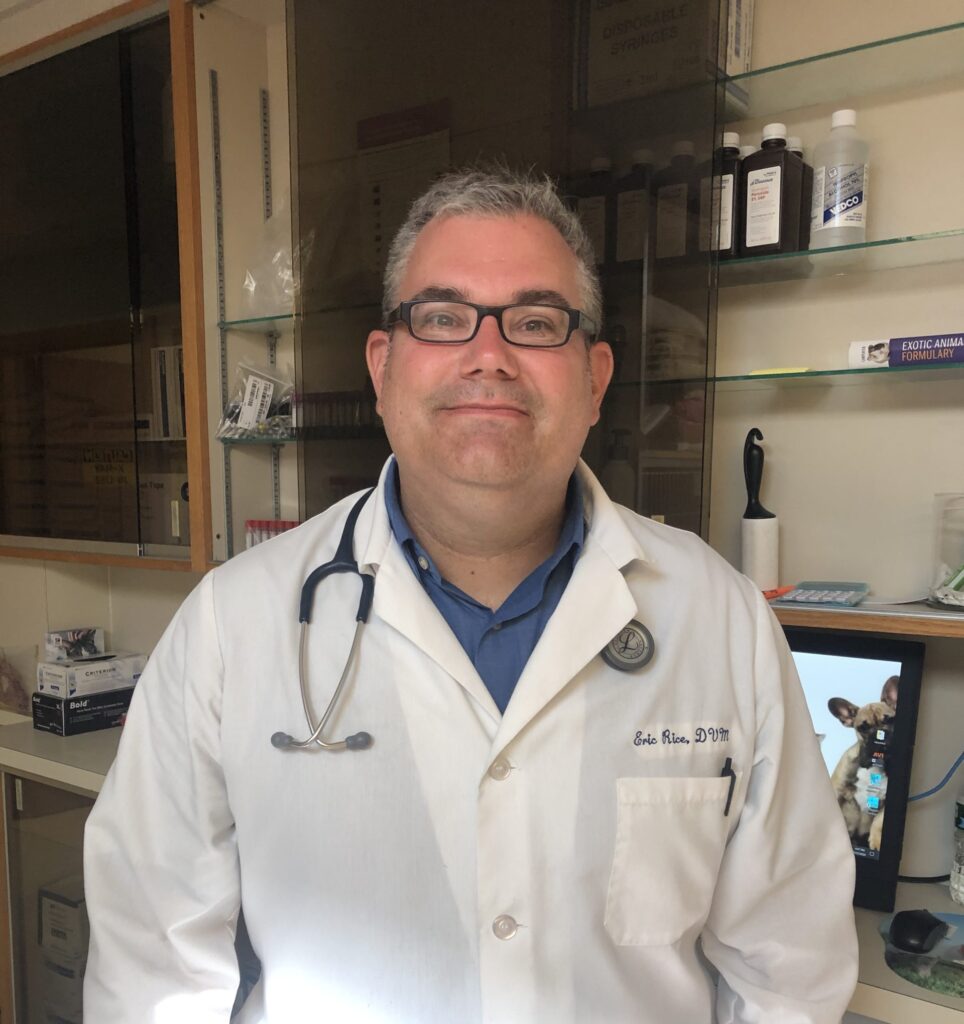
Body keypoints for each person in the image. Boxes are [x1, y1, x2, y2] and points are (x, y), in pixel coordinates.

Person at [84, 166, 858, 1022]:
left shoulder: (722, 620)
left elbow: (788, 968)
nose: (489, 356)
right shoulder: (230, 625)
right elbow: (153, 973)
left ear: (595, 379)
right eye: (443, 318)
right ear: (383, 367)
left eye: (536, 323)